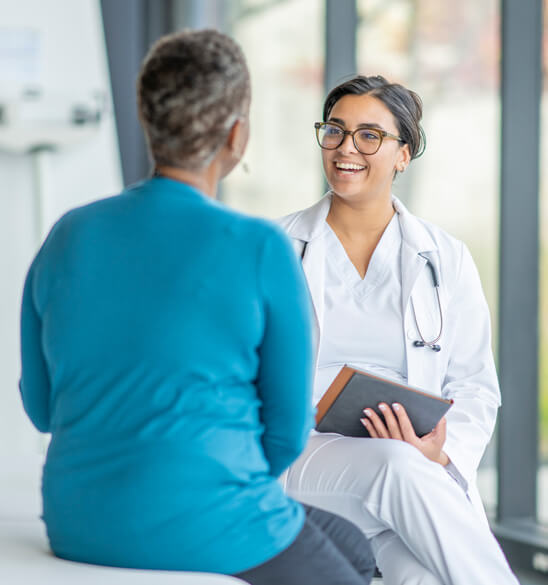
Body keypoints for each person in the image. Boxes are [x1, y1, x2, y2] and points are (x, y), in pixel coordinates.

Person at [18, 31, 375, 585]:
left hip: (78, 521)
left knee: (349, 541)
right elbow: (284, 434)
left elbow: (42, 409)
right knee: (357, 562)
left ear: (148, 120)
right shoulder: (259, 248)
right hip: (213, 524)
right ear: (237, 134)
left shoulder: (68, 235)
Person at [278, 75, 521, 585]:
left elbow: (475, 384)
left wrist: (441, 451)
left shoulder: (445, 257)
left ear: (403, 154)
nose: (347, 147)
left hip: (410, 473)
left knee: (425, 576)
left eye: (369, 135)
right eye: (336, 131)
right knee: (396, 466)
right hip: (303, 454)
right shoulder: (275, 248)